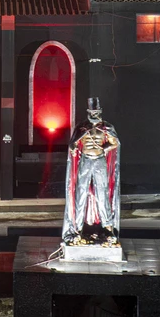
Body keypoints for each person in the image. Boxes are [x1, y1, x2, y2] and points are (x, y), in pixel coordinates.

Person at [63, 97, 121, 246]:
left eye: (96, 111)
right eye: (92, 111)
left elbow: (115, 142)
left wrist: (105, 148)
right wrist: (74, 148)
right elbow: (72, 143)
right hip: (85, 161)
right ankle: (77, 229)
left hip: (100, 160)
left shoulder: (107, 127)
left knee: (102, 193)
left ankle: (108, 228)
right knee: (81, 193)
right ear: (88, 111)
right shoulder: (81, 127)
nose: (94, 114)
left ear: (100, 111)